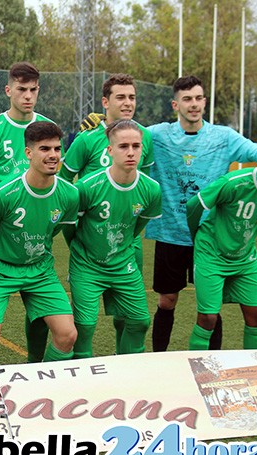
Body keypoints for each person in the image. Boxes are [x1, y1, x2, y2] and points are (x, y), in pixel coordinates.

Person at [145, 75, 257, 352]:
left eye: (198, 98)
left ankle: (213, 361)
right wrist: (102, 123)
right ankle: (158, 359)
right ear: (176, 104)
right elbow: (122, 134)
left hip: (210, 237)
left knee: (210, 304)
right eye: (187, 99)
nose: (193, 104)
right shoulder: (157, 135)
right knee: (167, 301)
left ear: (204, 102)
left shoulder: (224, 137)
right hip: (170, 233)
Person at [60, 73, 154, 353]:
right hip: (91, 235)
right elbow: (64, 182)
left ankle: (123, 367)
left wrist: (130, 234)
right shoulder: (88, 137)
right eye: (120, 97)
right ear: (105, 101)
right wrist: (78, 239)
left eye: (132, 97)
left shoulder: (144, 136)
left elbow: (143, 189)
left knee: (130, 316)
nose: (127, 103)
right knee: (85, 322)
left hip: (127, 242)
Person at [0, 62, 55, 362]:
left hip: (34, 226)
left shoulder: (45, 128)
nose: (27, 96)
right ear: (8, 90)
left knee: (38, 304)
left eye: (33, 90)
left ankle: (35, 363)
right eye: (21, 89)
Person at [0, 121, 79, 363]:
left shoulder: (70, 194)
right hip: (0, 269)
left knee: (67, 334)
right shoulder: (2, 194)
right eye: (44, 149)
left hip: (40, 270)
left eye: (57, 148)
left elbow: (55, 230)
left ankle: (46, 386)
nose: (53, 155)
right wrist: (5, 251)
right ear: (28, 153)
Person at [185, 133, 257, 350]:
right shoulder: (234, 183)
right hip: (211, 254)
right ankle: (194, 369)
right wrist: (195, 235)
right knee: (208, 318)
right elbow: (193, 205)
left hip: (245, 257)